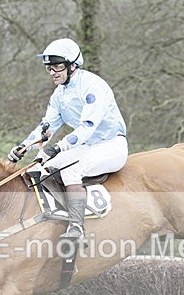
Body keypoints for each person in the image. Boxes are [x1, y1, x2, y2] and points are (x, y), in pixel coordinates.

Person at [8, 38, 128, 241]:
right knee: (40, 170)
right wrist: (23, 147)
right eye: (49, 68)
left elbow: (87, 127)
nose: (53, 72)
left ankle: (77, 228)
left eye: (57, 66)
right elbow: (45, 127)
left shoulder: (93, 86)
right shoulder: (58, 96)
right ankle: (61, 216)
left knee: (71, 169)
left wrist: (59, 147)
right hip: (87, 147)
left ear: (73, 65)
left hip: (111, 146)